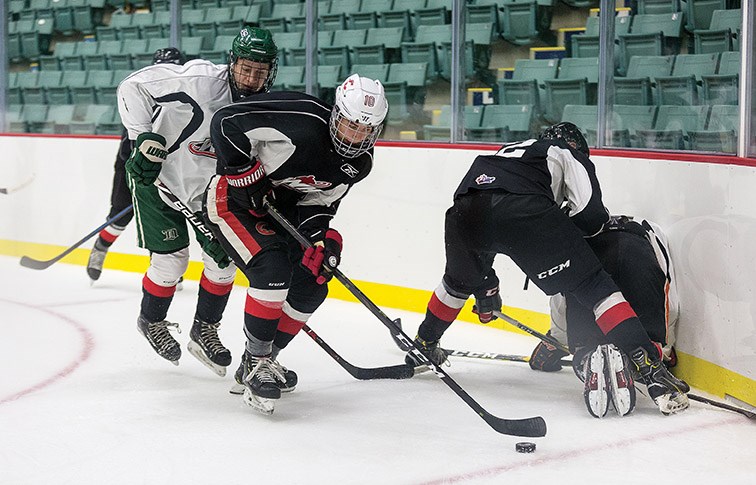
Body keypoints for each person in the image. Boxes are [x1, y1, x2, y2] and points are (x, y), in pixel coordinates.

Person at [405, 123, 690, 417]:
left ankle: (424, 343)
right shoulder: (567, 152)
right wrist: (561, 230)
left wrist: (485, 284)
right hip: (524, 209)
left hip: (464, 211)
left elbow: (487, 211)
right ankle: (650, 369)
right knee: (595, 286)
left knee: (456, 284)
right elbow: (590, 216)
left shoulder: (506, 153)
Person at [203, 73, 388, 414]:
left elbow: (319, 204)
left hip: (280, 213)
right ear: (336, 113)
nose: (355, 137)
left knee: (313, 285)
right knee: (272, 270)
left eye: (365, 130)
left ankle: (260, 361)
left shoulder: (359, 165)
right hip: (232, 200)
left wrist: (324, 240)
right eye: (350, 125)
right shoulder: (300, 118)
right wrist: (245, 172)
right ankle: (258, 360)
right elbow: (225, 121)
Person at [118, 27, 279, 377]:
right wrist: (141, 138)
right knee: (171, 264)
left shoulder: (262, 109)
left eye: (260, 71)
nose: (251, 79)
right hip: (157, 178)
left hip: (206, 195)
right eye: (245, 68)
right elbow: (132, 86)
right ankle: (152, 320)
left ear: (271, 72)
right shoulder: (200, 81)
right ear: (232, 62)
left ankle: (204, 328)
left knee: (223, 263)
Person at [529, 215, 681, 417]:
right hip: (637, 255)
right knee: (646, 342)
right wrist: (664, 349)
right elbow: (666, 285)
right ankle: (640, 359)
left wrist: (556, 341)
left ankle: (588, 356)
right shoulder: (649, 228)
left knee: (586, 334)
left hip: (592, 263)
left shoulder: (575, 236)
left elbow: (561, 295)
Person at [86, 47, 187, 282]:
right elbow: (126, 151)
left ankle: (163, 262)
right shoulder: (139, 96)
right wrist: (142, 172)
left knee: (165, 215)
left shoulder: (188, 100)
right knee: (120, 216)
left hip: (170, 170)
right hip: (133, 167)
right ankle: (100, 248)